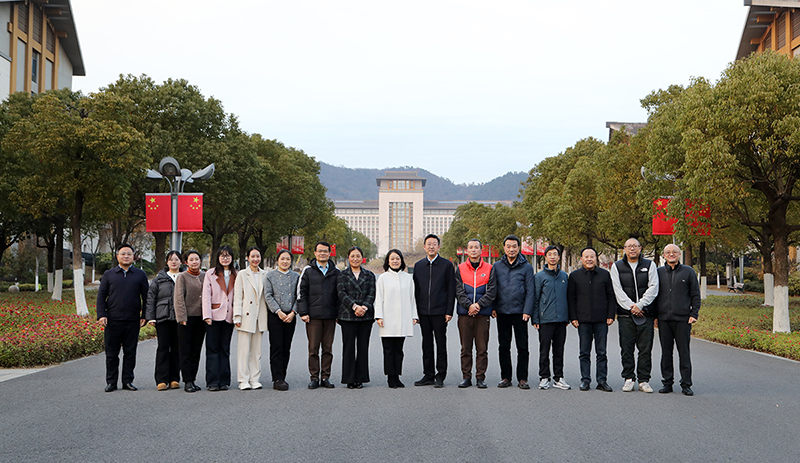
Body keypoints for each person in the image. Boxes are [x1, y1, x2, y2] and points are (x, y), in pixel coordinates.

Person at [97, 243, 149, 392]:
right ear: (117, 256)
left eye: (129, 254)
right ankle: (111, 382)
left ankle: (127, 381)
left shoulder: (140, 275)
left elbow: (146, 297)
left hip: (132, 320)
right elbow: (101, 296)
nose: (126, 256)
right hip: (112, 320)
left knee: (130, 353)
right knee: (111, 354)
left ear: (133, 256)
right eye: (123, 254)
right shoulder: (109, 274)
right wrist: (101, 315)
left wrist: (145, 315)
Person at [610, 237, 659, 393]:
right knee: (626, 348)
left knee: (645, 349)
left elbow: (654, 287)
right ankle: (628, 378)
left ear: (640, 248)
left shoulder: (650, 265)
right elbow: (617, 290)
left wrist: (640, 305)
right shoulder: (617, 266)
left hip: (646, 313)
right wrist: (631, 307)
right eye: (629, 246)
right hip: (625, 315)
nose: (632, 248)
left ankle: (644, 380)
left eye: (635, 246)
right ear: (624, 249)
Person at [567, 247, 616, 392]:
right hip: (583, 320)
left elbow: (611, 296)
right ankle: (585, 380)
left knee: (601, 352)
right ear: (581, 259)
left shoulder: (604, 275)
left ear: (596, 258)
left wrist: (611, 315)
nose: (589, 259)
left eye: (592, 256)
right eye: (586, 256)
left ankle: (602, 380)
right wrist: (573, 317)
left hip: (602, 320)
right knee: (584, 352)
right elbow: (571, 298)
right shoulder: (574, 276)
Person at [656, 244, 701, 396]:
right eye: (668, 252)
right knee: (666, 353)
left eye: (674, 252)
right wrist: (655, 316)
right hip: (664, 319)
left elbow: (695, 294)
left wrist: (694, 314)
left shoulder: (688, 272)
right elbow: (654, 295)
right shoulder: (658, 272)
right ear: (664, 255)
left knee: (684, 352)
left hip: (683, 319)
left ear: (679, 254)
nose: (671, 254)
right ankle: (667, 383)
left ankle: (686, 384)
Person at [412, 234, 456, 388]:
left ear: (439, 246)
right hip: (423, 312)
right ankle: (428, 375)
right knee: (426, 344)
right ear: (424, 247)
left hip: (440, 311)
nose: (431, 246)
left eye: (434, 244)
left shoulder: (446, 265)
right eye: (428, 244)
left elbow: (451, 289)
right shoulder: (418, 266)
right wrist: (415, 312)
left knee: (440, 344)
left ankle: (440, 375)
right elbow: (415, 290)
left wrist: (449, 311)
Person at [297, 241, 341, 389]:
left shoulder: (336, 272)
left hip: (330, 316)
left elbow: (339, 294)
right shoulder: (308, 271)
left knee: (328, 349)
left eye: (325, 251)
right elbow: (301, 292)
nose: (323, 253)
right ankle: (314, 377)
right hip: (313, 316)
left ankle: (325, 377)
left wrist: (338, 314)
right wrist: (303, 312)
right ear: (315, 253)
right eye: (320, 251)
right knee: (313, 349)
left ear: (329, 253)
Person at [492, 235, 534, 389]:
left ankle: (522, 378)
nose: (511, 249)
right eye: (508, 246)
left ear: (518, 248)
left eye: (514, 246)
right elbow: (493, 288)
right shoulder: (497, 266)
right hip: (502, 312)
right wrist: (493, 307)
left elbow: (530, 291)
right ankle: (506, 377)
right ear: (504, 248)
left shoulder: (527, 267)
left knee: (522, 347)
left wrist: (527, 310)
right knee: (504, 346)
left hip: (520, 312)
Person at [454, 238, 496, 389]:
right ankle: (466, 377)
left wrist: (478, 305)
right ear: (467, 251)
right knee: (465, 348)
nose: (473, 250)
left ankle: (480, 377)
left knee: (482, 348)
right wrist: (469, 305)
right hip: (465, 314)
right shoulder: (460, 268)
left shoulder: (489, 268)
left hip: (482, 314)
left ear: (481, 250)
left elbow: (492, 291)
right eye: (470, 247)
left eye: (476, 247)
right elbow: (458, 291)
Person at [375, 249, 418, 388]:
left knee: (399, 350)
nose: (395, 261)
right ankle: (390, 377)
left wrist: (414, 316)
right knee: (388, 350)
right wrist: (379, 316)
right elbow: (379, 298)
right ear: (388, 261)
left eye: (397, 258)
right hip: (387, 319)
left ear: (401, 261)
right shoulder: (383, 278)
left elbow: (412, 298)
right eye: (392, 258)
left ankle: (397, 376)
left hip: (403, 319)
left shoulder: (408, 278)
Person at [337, 246, 376, 389]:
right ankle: (349, 378)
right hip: (348, 315)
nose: (355, 259)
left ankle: (360, 378)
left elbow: (372, 293)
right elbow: (341, 293)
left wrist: (364, 307)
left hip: (366, 316)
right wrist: (355, 307)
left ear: (362, 258)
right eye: (352, 256)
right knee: (348, 347)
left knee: (363, 347)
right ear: (348, 258)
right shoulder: (342, 275)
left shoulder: (369, 275)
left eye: (358, 256)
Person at [533, 245, 571, 390]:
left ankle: (558, 377)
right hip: (545, 320)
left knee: (559, 350)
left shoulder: (564, 276)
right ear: (546, 257)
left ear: (559, 257)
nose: (553, 257)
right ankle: (544, 377)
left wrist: (567, 317)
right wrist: (536, 319)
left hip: (561, 320)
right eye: (550, 254)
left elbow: (568, 297)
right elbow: (536, 299)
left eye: (555, 254)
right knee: (544, 350)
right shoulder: (539, 277)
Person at [145, 250, 183, 391]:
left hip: (179, 319)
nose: (174, 262)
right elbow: (151, 298)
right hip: (163, 318)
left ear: (181, 262)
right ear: (167, 262)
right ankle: (161, 380)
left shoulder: (184, 277)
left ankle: (174, 379)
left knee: (177, 348)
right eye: (171, 259)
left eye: (176, 259)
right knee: (163, 348)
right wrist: (151, 317)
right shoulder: (159, 279)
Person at [233, 246, 269, 390]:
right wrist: (237, 316)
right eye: (252, 256)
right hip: (245, 315)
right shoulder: (242, 274)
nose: (255, 259)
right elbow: (237, 296)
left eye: (257, 256)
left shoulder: (265, 274)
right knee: (243, 351)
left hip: (260, 316)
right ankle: (243, 379)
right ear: (247, 258)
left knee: (256, 351)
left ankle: (255, 378)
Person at [202, 246, 237, 392]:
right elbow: (206, 296)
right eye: (222, 256)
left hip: (229, 316)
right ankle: (212, 381)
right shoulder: (210, 273)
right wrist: (207, 315)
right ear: (218, 258)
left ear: (232, 258)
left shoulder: (237, 274)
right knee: (212, 349)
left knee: (225, 349)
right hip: (214, 315)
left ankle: (224, 381)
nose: (225, 258)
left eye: (228, 256)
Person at [264, 249, 299, 391]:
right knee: (276, 347)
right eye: (282, 259)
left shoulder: (296, 276)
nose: (285, 261)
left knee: (286, 347)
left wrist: (293, 312)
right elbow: (268, 295)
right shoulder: (270, 276)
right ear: (277, 260)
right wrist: (278, 311)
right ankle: (277, 378)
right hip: (276, 315)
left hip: (291, 315)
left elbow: (299, 296)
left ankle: (283, 376)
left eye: (288, 259)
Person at [174, 250, 206, 393]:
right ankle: (187, 380)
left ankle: (193, 378)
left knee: (196, 350)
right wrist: (182, 318)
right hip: (186, 319)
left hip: (201, 318)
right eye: (191, 259)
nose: (194, 262)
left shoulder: (205, 276)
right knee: (185, 350)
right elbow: (178, 298)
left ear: (200, 261)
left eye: (196, 259)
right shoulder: (182, 277)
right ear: (186, 262)